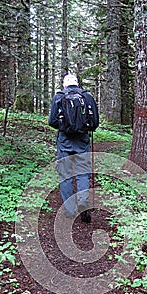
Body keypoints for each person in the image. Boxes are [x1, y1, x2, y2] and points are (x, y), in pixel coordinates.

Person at [48, 74, 99, 223]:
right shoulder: (87, 96)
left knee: (65, 175)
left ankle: (70, 210)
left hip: (64, 141)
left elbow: (52, 121)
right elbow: (95, 122)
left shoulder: (59, 97)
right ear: (77, 83)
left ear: (64, 85)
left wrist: (65, 127)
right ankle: (83, 202)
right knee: (83, 174)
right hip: (82, 140)